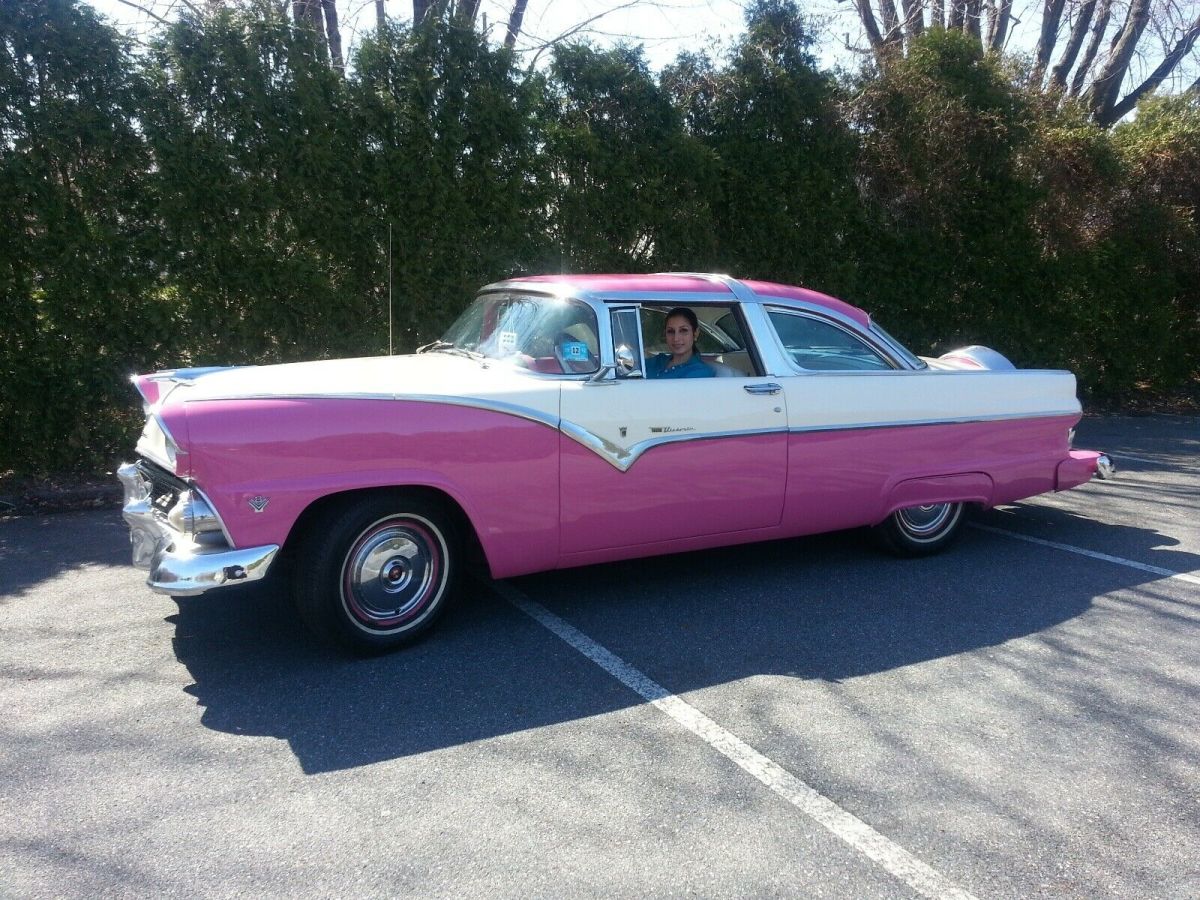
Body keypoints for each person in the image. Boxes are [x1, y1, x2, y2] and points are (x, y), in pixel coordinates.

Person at [645, 307, 716, 379]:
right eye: (671, 331)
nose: (676, 338)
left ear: (695, 333)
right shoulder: (659, 361)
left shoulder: (700, 373)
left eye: (683, 330)